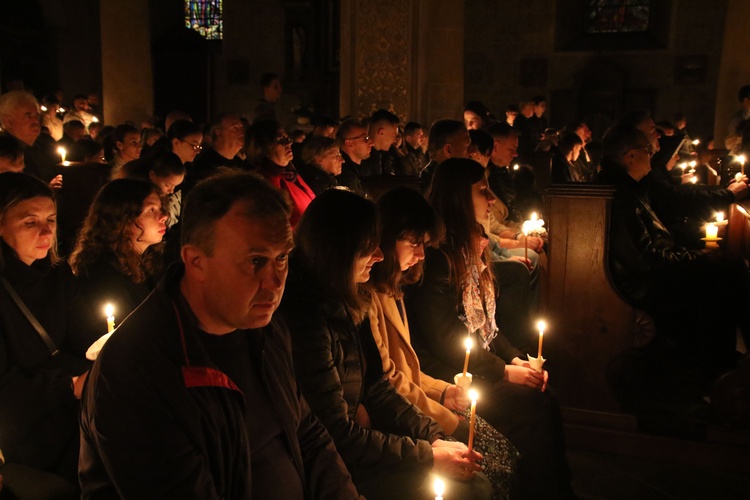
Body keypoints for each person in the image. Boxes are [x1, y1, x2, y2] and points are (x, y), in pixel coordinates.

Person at [79, 171, 360, 499]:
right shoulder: (137, 371)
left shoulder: (265, 328)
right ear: (196, 261)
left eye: (282, 258)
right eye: (255, 261)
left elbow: (307, 433)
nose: (274, 282)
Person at [278, 189, 492, 500]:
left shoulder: (352, 298)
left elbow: (377, 386)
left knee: (473, 476)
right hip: (331, 466)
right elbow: (335, 432)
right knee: (469, 489)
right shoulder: (306, 318)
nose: (379, 257)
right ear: (338, 251)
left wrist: (432, 437)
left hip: (359, 445)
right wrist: (427, 456)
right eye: (369, 249)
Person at [405, 158, 575, 499]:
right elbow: (444, 337)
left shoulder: (470, 247)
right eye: (483, 192)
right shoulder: (437, 257)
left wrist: (515, 360)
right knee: (535, 405)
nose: (493, 200)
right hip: (448, 373)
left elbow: (488, 327)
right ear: (458, 199)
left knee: (542, 395)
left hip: (471, 362)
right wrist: (502, 372)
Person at [369, 187, 519, 498]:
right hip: (400, 414)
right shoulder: (369, 295)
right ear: (385, 238)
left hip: (419, 398)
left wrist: (446, 391)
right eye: (414, 244)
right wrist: (444, 420)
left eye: (424, 245)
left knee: (504, 453)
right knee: (491, 460)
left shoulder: (393, 287)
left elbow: (406, 368)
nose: (422, 255)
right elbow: (389, 379)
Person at [599, 124, 750, 375]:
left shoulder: (632, 188)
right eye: (648, 149)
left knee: (728, 269)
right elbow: (646, 260)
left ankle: (725, 364)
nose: (653, 155)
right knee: (725, 276)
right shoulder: (622, 196)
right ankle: (719, 370)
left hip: (654, 272)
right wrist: (699, 257)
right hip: (645, 285)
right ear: (631, 155)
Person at [0, 172, 90, 499]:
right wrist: (69, 385)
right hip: (26, 426)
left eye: (51, 219)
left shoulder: (57, 274)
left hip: (74, 406)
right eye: (30, 222)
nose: (47, 231)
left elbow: (84, 336)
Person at [69, 178, 167, 345]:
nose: (164, 216)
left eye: (160, 208)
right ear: (123, 218)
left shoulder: (149, 262)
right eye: (151, 210)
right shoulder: (102, 277)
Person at [245, 119, 315, 227]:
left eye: (288, 138)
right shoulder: (265, 184)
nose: (289, 143)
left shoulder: (291, 173)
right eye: (281, 140)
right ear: (264, 149)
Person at [336, 118, 372, 197]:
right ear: (349, 143)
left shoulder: (364, 168)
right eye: (365, 138)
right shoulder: (343, 173)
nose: (371, 143)